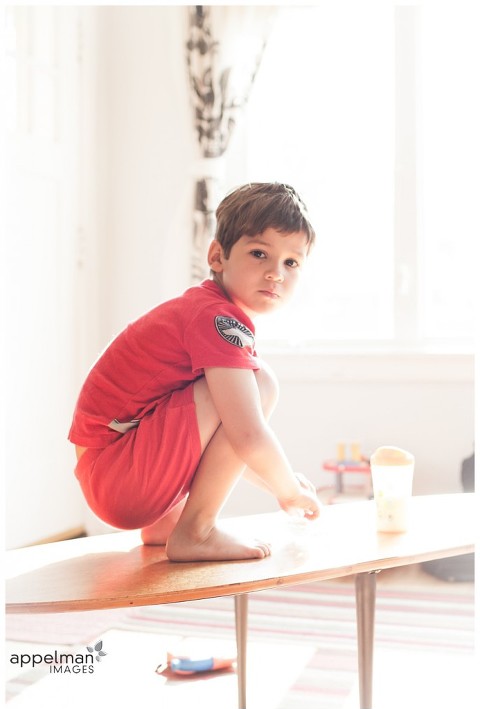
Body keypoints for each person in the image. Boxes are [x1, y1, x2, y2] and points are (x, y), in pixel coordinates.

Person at [69, 182, 321, 562]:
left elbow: (225, 444)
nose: (275, 273)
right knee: (259, 383)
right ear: (217, 257)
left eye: (291, 262)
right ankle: (196, 531)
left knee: (244, 387)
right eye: (259, 253)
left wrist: (278, 481)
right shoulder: (215, 319)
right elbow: (247, 434)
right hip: (117, 474)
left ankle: (166, 524)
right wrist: (288, 490)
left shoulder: (209, 312)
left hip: (117, 472)